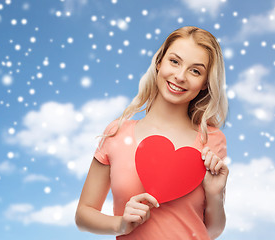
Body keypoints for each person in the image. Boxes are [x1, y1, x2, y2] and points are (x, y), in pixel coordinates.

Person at [75, 26, 229, 239]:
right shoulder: (117, 133)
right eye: (174, 61)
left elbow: (212, 231)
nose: (180, 76)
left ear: (205, 84)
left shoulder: (210, 140)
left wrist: (215, 193)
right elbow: (83, 214)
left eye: (195, 71)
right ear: (159, 62)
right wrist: (121, 224)